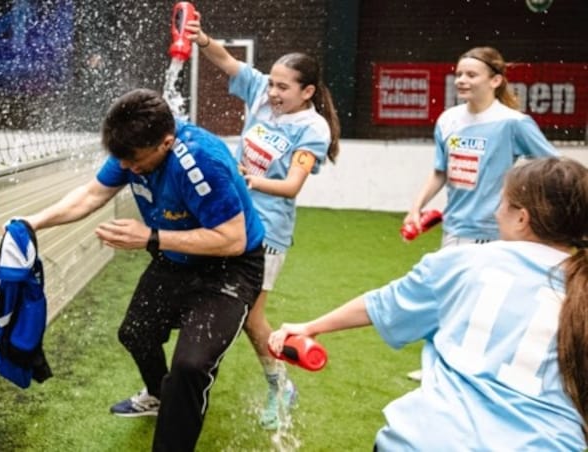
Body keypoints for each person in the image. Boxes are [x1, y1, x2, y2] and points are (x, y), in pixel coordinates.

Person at [270, 157, 588, 451]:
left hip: (426, 440)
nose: (495, 212)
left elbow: (382, 303)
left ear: (522, 218)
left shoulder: (463, 262)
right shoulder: (580, 285)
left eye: (501, 203)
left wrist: (311, 327)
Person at [21, 88, 265, 452]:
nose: (128, 170)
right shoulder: (130, 151)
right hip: (176, 258)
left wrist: (151, 237)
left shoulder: (199, 162)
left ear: (166, 143)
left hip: (229, 268)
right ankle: (156, 396)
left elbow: (231, 238)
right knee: (136, 332)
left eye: (135, 162)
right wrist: (33, 222)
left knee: (190, 367)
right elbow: (91, 195)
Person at [185, 14, 341, 430]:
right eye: (271, 83)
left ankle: (280, 384)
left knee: (252, 318)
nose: (272, 91)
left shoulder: (312, 128)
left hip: (268, 231)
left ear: (307, 91)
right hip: (231, 218)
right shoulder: (260, 94)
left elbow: (291, 186)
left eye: (283, 87)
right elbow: (226, 61)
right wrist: (201, 38)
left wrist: (242, 179)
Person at [402, 46, 559, 380]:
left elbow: (552, 167)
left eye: (471, 74)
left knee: (491, 302)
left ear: (496, 80)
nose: (462, 80)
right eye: (459, 73)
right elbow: (440, 172)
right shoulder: (448, 120)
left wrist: (524, 195)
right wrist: (416, 206)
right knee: (449, 295)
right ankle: (442, 365)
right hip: (457, 227)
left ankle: (477, 366)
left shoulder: (513, 123)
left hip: (499, 232)